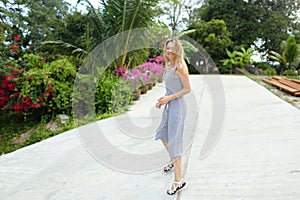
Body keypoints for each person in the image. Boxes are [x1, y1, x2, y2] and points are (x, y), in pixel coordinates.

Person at [155, 38, 191, 195]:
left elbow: (187, 89)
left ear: (177, 50)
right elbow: (171, 88)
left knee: (175, 143)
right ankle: (173, 160)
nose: (169, 51)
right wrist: (163, 100)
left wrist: (168, 99)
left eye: (171, 48)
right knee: (162, 134)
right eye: (167, 48)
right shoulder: (167, 65)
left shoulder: (180, 67)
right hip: (169, 106)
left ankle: (179, 179)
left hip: (178, 108)